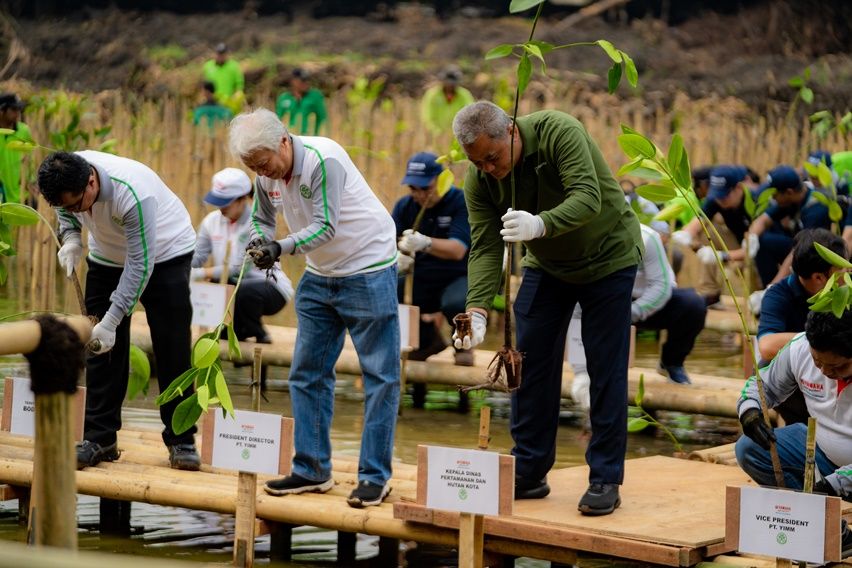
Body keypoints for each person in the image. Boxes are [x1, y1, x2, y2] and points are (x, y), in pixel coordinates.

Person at [451, 101, 642, 515]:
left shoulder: (560, 131)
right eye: (477, 161)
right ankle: (530, 469)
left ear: (513, 131)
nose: (487, 168)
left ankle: (605, 476)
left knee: (604, 367)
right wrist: (478, 309)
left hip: (608, 256)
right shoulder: (480, 178)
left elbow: (589, 197)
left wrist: (539, 224)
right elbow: (485, 244)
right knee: (528, 361)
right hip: (548, 264)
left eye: (493, 157)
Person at [229, 108, 399, 508]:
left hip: (367, 267)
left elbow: (326, 226)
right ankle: (311, 469)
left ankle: (375, 476)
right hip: (320, 274)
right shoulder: (265, 173)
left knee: (380, 375)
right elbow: (263, 218)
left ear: (284, 141)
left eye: (264, 161)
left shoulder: (325, 159)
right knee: (306, 372)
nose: (262, 171)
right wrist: (259, 241)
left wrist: (280, 249)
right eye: (253, 166)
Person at [37, 150, 200, 471]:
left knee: (172, 346)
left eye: (76, 204)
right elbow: (66, 212)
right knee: (99, 347)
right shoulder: (66, 175)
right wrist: (71, 239)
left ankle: (182, 439)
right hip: (107, 254)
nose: (71, 210)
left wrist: (113, 320)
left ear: (92, 182)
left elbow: (141, 265)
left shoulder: (132, 192)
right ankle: (100, 437)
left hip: (166, 251)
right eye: (63, 206)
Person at [735, 309, 852, 558]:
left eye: (839, 366)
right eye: (818, 362)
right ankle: (828, 532)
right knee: (750, 449)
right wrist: (749, 411)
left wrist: (835, 484)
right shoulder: (799, 348)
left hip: (844, 474)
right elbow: (762, 384)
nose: (825, 373)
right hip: (822, 454)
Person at [570, 223, 706, 399]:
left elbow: (662, 286)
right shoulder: (589, 236)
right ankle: (594, 370)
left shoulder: (647, 237)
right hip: (609, 302)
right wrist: (580, 369)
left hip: (647, 302)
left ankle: (672, 362)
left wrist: (632, 312)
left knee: (693, 305)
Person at [752, 229, 847, 426]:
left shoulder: (846, 292)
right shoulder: (778, 295)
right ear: (819, 278)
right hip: (807, 388)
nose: (847, 274)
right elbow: (767, 346)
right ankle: (805, 429)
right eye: (842, 270)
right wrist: (820, 338)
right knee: (765, 368)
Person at [191, 168, 293, 342]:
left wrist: (200, 273)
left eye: (226, 202)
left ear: (243, 199)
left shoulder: (258, 225)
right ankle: (234, 331)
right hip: (234, 288)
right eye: (218, 201)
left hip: (269, 288)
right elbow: (197, 256)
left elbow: (239, 270)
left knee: (240, 292)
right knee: (218, 286)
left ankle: (259, 333)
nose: (221, 207)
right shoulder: (211, 222)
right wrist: (183, 267)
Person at [392, 152, 471, 367]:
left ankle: (464, 344)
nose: (420, 195)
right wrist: (398, 256)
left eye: (426, 188)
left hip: (458, 274)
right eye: (413, 189)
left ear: (441, 180)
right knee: (390, 289)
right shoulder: (405, 207)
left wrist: (426, 243)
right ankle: (427, 341)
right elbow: (388, 243)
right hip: (422, 276)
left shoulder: (459, 202)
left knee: (456, 302)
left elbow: (457, 250)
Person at [672, 165, 761, 304]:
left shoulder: (755, 202)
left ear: (738, 188)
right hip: (736, 242)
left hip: (757, 251)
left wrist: (721, 256)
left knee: (749, 273)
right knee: (709, 231)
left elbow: (750, 250)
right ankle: (710, 293)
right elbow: (699, 221)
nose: (720, 200)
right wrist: (685, 234)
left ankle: (759, 298)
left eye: (724, 195)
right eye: (717, 194)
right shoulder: (716, 200)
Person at [746, 165, 832, 288]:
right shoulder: (790, 200)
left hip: (817, 256)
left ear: (789, 192)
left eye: (775, 194)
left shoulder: (815, 208)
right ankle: (769, 291)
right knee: (764, 242)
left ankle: (774, 291)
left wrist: (774, 286)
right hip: (799, 248)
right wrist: (752, 237)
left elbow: (800, 250)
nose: (772, 198)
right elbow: (763, 221)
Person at [420, 66, 474, 136]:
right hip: (436, 136)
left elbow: (471, 115)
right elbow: (427, 117)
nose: (450, 86)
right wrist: (436, 131)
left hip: (458, 137)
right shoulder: (432, 95)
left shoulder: (465, 95)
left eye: (453, 84)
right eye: (448, 83)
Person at [0, 93, 33, 204]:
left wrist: (30, 181)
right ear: (2, 111)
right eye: (13, 109)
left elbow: (29, 160)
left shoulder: (23, 131)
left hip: (20, 194)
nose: (17, 113)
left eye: (18, 109)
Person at [275, 68, 328, 136]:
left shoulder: (315, 96)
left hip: (309, 137)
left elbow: (323, 119)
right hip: (290, 137)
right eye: (303, 80)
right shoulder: (284, 98)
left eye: (308, 80)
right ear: (293, 81)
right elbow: (278, 120)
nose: (306, 83)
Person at [202, 43, 245, 113]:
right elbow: (205, 85)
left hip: (228, 103)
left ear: (227, 54)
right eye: (219, 54)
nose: (220, 56)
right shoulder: (208, 66)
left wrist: (235, 98)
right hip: (213, 102)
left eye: (223, 54)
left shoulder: (234, 66)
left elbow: (239, 87)